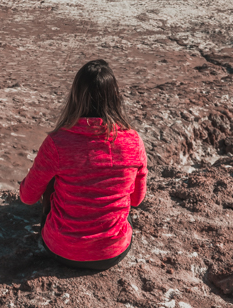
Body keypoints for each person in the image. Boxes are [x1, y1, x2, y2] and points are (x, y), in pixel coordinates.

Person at [19, 59, 147, 270]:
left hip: (61, 250)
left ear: (75, 96)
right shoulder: (133, 141)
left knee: (53, 176)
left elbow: (27, 197)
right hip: (113, 251)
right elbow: (136, 200)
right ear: (115, 97)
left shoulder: (58, 142)